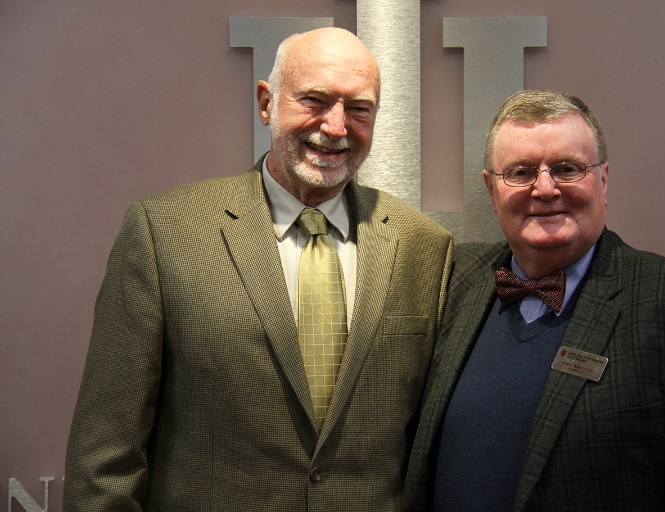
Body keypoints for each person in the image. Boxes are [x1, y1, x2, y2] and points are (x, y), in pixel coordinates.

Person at [64, 27, 453, 512]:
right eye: (314, 99)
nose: (336, 126)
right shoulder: (163, 231)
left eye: (359, 108)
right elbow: (107, 456)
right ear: (266, 103)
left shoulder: (424, 246)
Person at [405, 90, 665, 511]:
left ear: (604, 179)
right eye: (520, 172)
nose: (544, 189)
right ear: (491, 188)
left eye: (566, 168)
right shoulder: (451, 278)